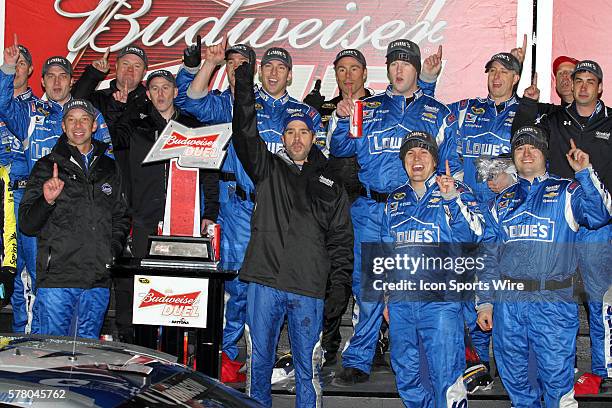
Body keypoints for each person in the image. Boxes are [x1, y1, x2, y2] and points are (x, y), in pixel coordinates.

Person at [178, 41, 326, 382]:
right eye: (267, 67)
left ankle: (273, 357)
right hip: (241, 207)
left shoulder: (303, 113)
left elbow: (319, 161)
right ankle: (227, 357)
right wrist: (211, 63)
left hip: (286, 214)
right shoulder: (237, 101)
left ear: (290, 75)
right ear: (258, 72)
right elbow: (190, 99)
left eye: (280, 67)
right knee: (237, 286)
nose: (273, 73)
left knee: (280, 287)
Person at [329, 38, 461, 385]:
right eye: (393, 64)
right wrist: (342, 118)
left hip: (416, 209)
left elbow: (453, 163)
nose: (398, 69)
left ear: (417, 69)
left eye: (406, 63)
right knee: (368, 287)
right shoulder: (365, 107)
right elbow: (339, 147)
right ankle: (359, 357)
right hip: (371, 208)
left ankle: (421, 356)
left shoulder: (438, 112)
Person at [231, 57, 353, 408]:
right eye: (290, 132)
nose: (297, 138)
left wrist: (338, 289)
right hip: (264, 282)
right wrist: (243, 81)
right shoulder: (266, 168)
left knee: (307, 370)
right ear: (281, 137)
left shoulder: (330, 183)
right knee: (259, 366)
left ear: (314, 138)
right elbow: (244, 131)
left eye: (304, 132)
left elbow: (342, 241)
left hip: (308, 288)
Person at [476, 125, 611, 407]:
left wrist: (585, 173)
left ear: (544, 153)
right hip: (509, 305)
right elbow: (488, 257)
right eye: (519, 148)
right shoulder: (500, 203)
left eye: (533, 147)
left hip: (552, 304)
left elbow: (600, 215)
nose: (526, 153)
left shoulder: (568, 191)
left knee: (557, 386)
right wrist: (485, 303)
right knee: (517, 383)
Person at [0, 36, 113, 334]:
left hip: (79, 209)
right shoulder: (29, 114)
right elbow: (2, 103)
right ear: (43, 80)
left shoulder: (89, 116)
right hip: (38, 203)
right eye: (51, 76)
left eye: (63, 76)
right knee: (32, 280)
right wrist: (9, 68)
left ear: (70, 81)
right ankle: (29, 348)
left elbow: (108, 164)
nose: (57, 82)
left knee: (68, 287)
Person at [514, 59, 612, 391]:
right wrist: (527, 102)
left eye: (589, 81)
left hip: (599, 227)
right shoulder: (553, 119)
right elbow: (520, 136)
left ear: (600, 87)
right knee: (559, 301)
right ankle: (563, 370)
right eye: (577, 79)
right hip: (557, 223)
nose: (582, 85)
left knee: (599, 301)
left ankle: (601, 371)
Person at [108, 69, 219, 344]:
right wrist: (125, 106)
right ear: (147, 94)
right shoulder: (134, 125)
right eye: (154, 88)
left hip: (184, 220)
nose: (160, 93)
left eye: (165, 88)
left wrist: (209, 212)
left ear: (175, 92)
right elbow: (112, 139)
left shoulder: (193, 125)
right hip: (143, 216)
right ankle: (131, 342)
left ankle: (183, 343)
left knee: (182, 282)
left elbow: (210, 172)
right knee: (137, 281)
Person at [382, 131, 482, 407]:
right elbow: (385, 250)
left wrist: (451, 199)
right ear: (402, 161)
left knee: (446, 378)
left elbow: (474, 235)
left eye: (424, 152)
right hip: (402, 303)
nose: (416, 158)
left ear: (435, 160)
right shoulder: (394, 200)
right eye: (410, 153)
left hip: (440, 303)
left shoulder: (456, 191)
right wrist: (386, 297)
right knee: (408, 376)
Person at [19, 99, 129, 339]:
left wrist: (112, 252)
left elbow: (121, 216)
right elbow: (27, 224)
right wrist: (46, 200)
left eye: (84, 119)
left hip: (97, 281)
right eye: (71, 119)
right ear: (63, 126)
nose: (78, 125)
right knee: (51, 357)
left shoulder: (110, 167)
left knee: (86, 361)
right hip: (58, 280)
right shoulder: (46, 166)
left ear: (94, 126)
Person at [446, 51, 522, 377]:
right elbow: (431, 119)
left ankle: (509, 366)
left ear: (515, 78)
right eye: (492, 70)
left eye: (504, 71)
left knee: (502, 290)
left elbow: (537, 159)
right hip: (469, 214)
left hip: (508, 215)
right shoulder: (466, 109)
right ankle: (476, 362)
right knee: (466, 286)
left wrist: (512, 179)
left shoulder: (528, 113)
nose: (496, 77)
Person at [0, 39, 38, 333]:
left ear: (31, 70)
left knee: (26, 272)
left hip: (23, 194)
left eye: (20, 64)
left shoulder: (39, 108)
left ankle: (26, 337)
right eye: (11, 65)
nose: (15, 70)